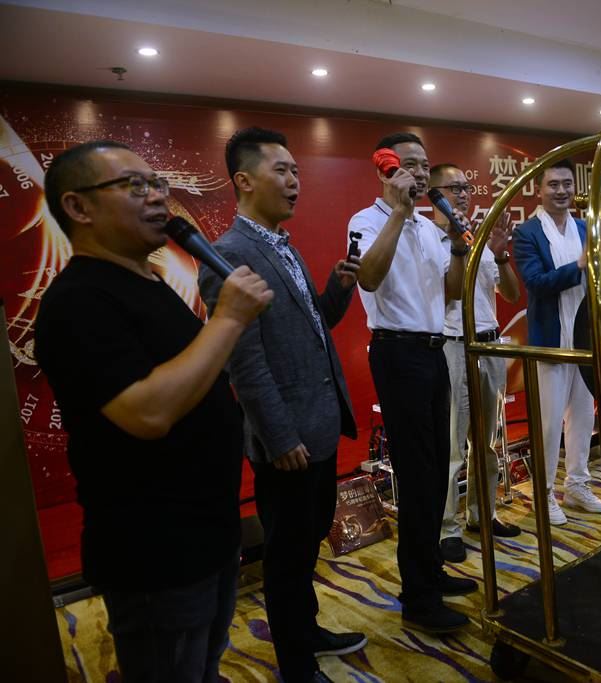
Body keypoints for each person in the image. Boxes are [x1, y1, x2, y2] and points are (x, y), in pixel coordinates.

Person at [35, 140, 273, 682]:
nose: (158, 197)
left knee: (203, 664)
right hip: (155, 551)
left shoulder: (146, 282)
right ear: (78, 207)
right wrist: (228, 319)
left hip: (206, 534)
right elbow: (146, 413)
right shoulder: (78, 300)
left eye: (158, 184)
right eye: (135, 186)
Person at [198, 128, 365, 683]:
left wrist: (337, 290)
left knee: (306, 542)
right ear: (244, 181)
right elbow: (243, 362)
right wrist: (278, 435)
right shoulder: (228, 254)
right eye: (282, 170)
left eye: (297, 171)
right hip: (287, 441)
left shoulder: (280, 244)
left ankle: (307, 631)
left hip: (316, 427)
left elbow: (308, 328)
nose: (295, 181)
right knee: (287, 556)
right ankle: (296, 664)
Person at [349, 133, 476, 633]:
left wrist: (460, 249)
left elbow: (451, 294)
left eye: (424, 165)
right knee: (417, 475)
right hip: (397, 353)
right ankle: (418, 599)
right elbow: (368, 278)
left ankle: (431, 572)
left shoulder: (428, 226)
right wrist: (399, 212)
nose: (420, 173)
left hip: (434, 351)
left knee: (436, 472)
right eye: (409, 165)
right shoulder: (366, 220)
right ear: (385, 169)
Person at [429, 163, 522, 564]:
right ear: (434, 193)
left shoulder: (478, 237)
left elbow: (512, 295)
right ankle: (447, 528)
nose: (464, 194)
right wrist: (457, 245)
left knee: (487, 442)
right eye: (454, 188)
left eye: (466, 187)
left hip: (491, 345)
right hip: (454, 345)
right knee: (453, 445)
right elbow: (448, 294)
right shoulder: (429, 239)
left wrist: (501, 257)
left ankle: (482, 514)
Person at [512, 159, 601, 526]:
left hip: (583, 339)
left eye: (567, 183)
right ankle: (544, 493)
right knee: (549, 425)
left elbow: (600, 278)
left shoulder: (584, 227)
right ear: (539, 189)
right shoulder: (527, 232)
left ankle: (578, 485)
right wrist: (580, 265)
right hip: (550, 342)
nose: (562, 190)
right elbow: (536, 283)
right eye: (553, 184)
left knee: (583, 417)